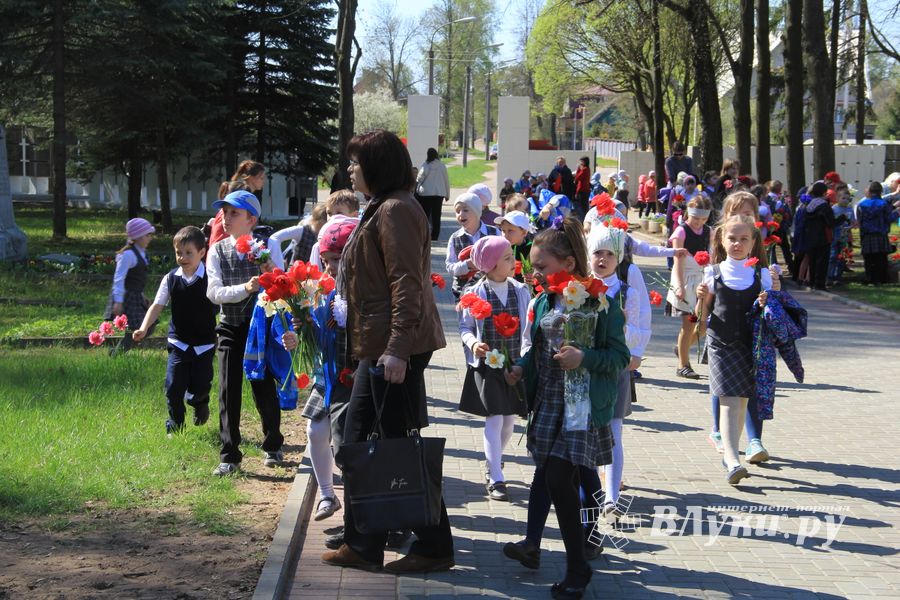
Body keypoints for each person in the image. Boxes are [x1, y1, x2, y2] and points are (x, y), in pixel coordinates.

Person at [322, 129, 453, 574]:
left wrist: (396, 349)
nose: (350, 169)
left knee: (395, 446)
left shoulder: (396, 209)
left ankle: (432, 546)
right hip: (380, 345)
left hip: (394, 347)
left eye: (356, 162)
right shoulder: (384, 204)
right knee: (363, 439)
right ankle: (364, 542)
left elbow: (406, 283)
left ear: (377, 166)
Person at [504, 217, 630, 599]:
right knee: (552, 478)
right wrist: (519, 368)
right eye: (533, 267)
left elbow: (619, 357)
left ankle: (578, 566)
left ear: (569, 263)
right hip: (548, 406)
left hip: (581, 409)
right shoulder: (544, 300)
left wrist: (584, 357)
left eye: (541, 266)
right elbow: (537, 350)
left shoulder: (600, 302)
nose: (535, 274)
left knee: (558, 478)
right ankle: (572, 558)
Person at [206, 190, 285, 476]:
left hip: (260, 326)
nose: (226, 218)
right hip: (229, 326)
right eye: (224, 212)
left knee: (262, 384)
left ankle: (273, 443)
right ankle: (229, 454)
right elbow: (214, 293)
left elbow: (283, 285)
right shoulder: (216, 250)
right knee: (228, 389)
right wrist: (245, 288)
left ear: (251, 219)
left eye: (234, 213)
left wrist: (270, 271)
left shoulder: (268, 245)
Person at [696, 215, 775, 485]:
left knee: (741, 401)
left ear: (753, 243)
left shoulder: (762, 275)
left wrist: (769, 299)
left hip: (751, 346)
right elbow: (702, 316)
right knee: (729, 400)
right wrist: (700, 299)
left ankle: (731, 455)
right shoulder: (713, 272)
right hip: (720, 344)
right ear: (721, 240)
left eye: (744, 239)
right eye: (732, 238)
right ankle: (732, 460)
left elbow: (773, 313)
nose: (737, 244)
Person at [458, 236, 529, 501]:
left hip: (513, 364)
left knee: (509, 419)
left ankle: (494, 459)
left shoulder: (520, 290)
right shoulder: (475, 293)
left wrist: (526, 358)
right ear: (490, 265)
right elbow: (465, 327)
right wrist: (473, 343)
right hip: (489, 365)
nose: (513, 262)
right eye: (507, 258)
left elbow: (528, 327)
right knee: (495, 416)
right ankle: (496, 477)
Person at [587, 225, 650, 517]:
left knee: (613, 430)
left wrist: (624, 327)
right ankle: (588, 491)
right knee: (586, 431)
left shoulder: (627, 292)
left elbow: (639, 329)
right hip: (587, 368)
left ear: (619, 258)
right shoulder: (578, 289)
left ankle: (611, 498)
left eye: (609, 254)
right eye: (597, 252)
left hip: (615, 370)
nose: (603, 259)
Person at [301, 218, 358, 522]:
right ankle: (326, 494)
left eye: (337, 259)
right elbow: (311, 330)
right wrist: (298, 332)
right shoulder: (318, 289)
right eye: (326, 260)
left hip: (355, 374)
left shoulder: (364, 287)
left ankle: (358, 509)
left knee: (349, 442)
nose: (331, 266)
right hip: (327, 372)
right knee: (315, 431)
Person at [133, 226, 215, 434]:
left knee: (200, 386)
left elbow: (223, 301)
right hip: (178, 342)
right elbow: (157, 305)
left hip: (204, 344)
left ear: (202, 253)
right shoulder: (171, 279)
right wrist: (144, 327)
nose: (183, 258)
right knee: (173, 387)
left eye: (188, 253)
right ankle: (175, 426)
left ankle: (199, 403)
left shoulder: (211, 277)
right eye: (179, 252)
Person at [668, 197, 712, 380]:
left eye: (703, 219)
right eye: (696, 218)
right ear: (688, 213)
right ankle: (683, 365)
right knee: (689, 323)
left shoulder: (709, 231)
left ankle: (682, 348)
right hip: (685, 280)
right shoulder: (681, 232)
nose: (699, 222)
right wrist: (679, 286)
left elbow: (713, 256)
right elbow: (678, 262)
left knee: (702, 326)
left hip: (702, 282)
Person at [105, 218, 156, 331]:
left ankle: (128, 342)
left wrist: (142, 295)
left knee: (148, 325)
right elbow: (119, 278)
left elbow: (136, 280)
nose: (150, 238)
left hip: (136, 296)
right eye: (147, 235)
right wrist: (118, 301)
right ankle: (123, 343)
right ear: (138, 237)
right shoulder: (127, 255)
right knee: (134, 327)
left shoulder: (142, 253)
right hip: (126, 297)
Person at [447, 192, 501, 298]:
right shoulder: (455, 238)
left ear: (477, 211)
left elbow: (503, 256)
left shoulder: (494, 233)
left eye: (465, 210)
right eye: (457, 211)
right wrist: (467, 264)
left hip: (490, 290)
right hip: (463, 291)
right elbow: (450, 266)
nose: (461, 214)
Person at [208, 160, 266, 249]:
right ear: (251, 178)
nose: (264, 181)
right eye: (261, 178)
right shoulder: (238, 198)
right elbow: (217, 244)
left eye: (234, 212)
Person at [268, 202, 329, 269]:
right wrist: (279, 265)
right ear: (319, 221)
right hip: (297, 273)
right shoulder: (302, 230)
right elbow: (275, 237)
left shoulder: (330, 235)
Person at [856, 181, 894, 285]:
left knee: (868, 258)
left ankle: (869, 277)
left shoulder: (861, 204)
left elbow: (860, 221)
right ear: (880, 191)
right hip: (881, 234)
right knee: (881, 258)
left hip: (867, 234)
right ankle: (881, 279)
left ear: (869, 191)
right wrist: (897, 213)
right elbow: (889, 218)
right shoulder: (884, 204)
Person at [803, 181, 836, 290]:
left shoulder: (808, 206)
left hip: (810, 237)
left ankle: (811, 282)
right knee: (822, 261)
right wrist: (842, 219)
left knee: (812, 260)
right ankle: (820, 283)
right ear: (824, 192)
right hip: (823, 237)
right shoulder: (824, 206)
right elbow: (830, 223)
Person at [415, 148, 450, 241]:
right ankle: (435, 236)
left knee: (425, 215)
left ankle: (424, 235)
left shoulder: (426, 165)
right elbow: (446, 181)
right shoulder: (442, 166)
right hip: (439, 194)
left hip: (425, 194)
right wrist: (447, 195)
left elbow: (419, 178)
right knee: (436, 216)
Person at [826, 184, 856, 287]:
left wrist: (851, 227)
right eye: (843, 198)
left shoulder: (850, 209)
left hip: (845, 237)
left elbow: (852, 222)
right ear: (837, 198)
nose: (846, 200)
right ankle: (829, 277)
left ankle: (837, 277)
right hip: (835, 236)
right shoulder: (834, 209)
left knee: (842, 257)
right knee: (832, 256)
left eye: (848, 199)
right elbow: (831, 223)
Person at [495, 211, 535, 282]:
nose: (505, 235)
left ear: (524, 232)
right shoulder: (503, 249)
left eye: (510, 231)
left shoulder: (532, 249)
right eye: (503, 231)